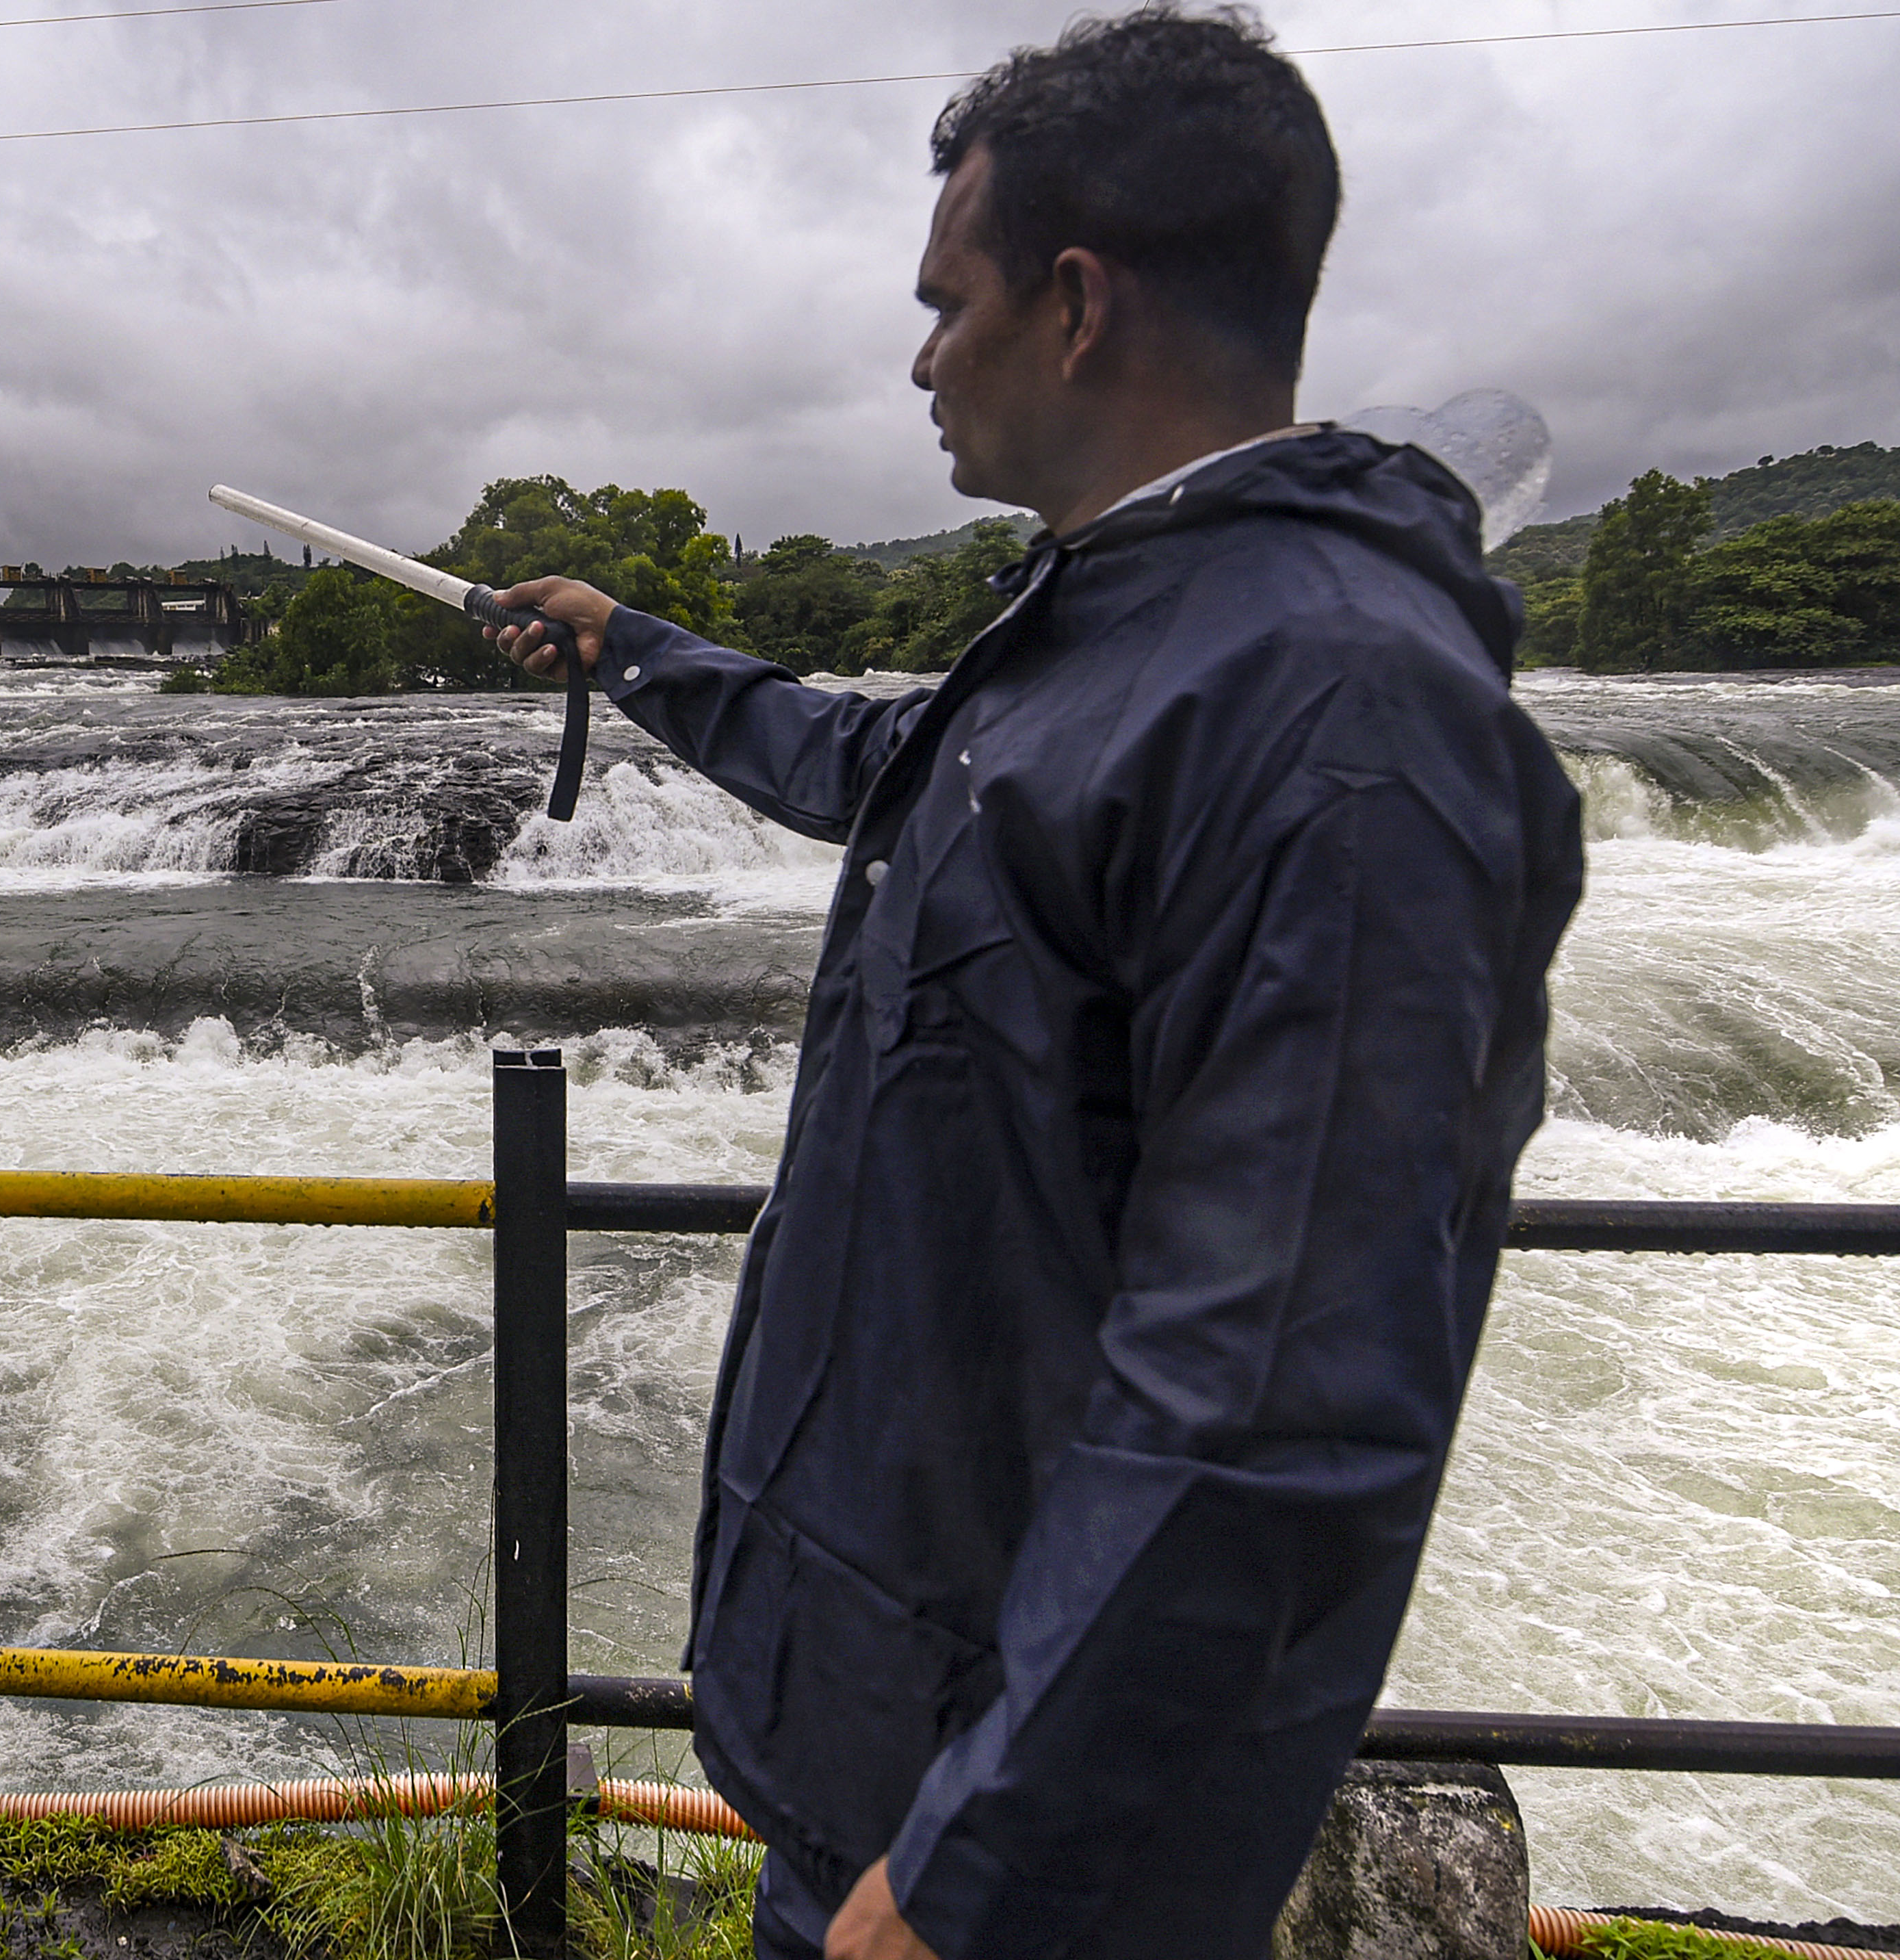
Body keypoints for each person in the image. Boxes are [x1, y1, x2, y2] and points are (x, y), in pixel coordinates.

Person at [485, 9, 1585, 1957]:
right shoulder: (1111, 633)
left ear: (1075, 306)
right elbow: (864, 759)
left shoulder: (1339, 719)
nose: (923, 357)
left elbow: (1272, 1394)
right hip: (902, 1752)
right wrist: (632, 643)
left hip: (1022, 1862)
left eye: (947, 303)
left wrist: (982, 1871)